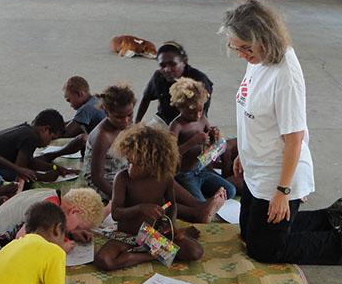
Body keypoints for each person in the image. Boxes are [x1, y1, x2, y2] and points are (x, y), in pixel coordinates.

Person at [221, 0, 342, 265]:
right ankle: (332, 216)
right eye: (236, 47)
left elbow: (295, 140)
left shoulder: (285, 76)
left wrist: (282, 192)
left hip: (278, 173)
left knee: (264, 250)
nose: (241, 54)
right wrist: (243, 151)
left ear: (264, 39)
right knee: (249, 235)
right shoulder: (258, 58)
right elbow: (252, 112)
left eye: (245, 48)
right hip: (257, 166)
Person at [83, 83, 225, 222]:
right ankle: (194, 213)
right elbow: (97, 178)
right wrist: (119, 197)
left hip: (127, 170)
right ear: (106, 112)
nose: (126, 121)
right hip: (106, 183)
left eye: (130, 115)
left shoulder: (125, 125)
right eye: (120, 117)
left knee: (162, 176)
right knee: (147, 195)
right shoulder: (103, 136)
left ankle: (198, 205)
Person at [93, 125, 204, 272]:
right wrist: (140, 208)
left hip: (151, 234)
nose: (129, 167)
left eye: (135, 163)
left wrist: (171, 227)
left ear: (152, 162)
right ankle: (155, 254)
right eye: (128, 162)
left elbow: (171, 204)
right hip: (127, 234)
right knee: (104, 260)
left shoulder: (165, 178)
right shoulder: (123, 178)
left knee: (195, 252)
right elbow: (116, 213)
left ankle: (153, 251)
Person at [168, 77, 237, 202]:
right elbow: (170, 155)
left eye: (200, 111)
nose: (197, 115)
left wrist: (213, 134)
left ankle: (200, 189)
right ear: (179, 107)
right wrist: (192, 142)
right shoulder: (176, 126)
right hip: (184, 174)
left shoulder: (202, 119)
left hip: (201, 168)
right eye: (191, 113)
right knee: (200, 203)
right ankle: (186, 191)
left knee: (231, 191)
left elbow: (211, 139)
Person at [0, 186, 105, 253]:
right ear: (74, 212)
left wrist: (72, 233)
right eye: (78, 227)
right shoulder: (49, 208)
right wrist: (60, 248)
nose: (77, 229)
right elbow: (21, 240)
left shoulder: (55, 198)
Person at [134, 41, 214, 125]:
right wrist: (137, 123)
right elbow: (146, 98)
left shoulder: (199, 80)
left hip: (191, 122)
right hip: (164, 120)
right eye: (162, 65)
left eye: (172, 64)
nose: (167, 69)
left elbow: (202, 111)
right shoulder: (159, 77)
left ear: (184, 62)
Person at [0, 109, 76, 182]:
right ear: (45, 129)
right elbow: (20, 171)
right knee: (24, 182)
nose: (49, 143)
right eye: (51, 138)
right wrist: (44, 177)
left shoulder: (26, 129)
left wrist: (55, 167)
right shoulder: (31, 137)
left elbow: (30, 161)